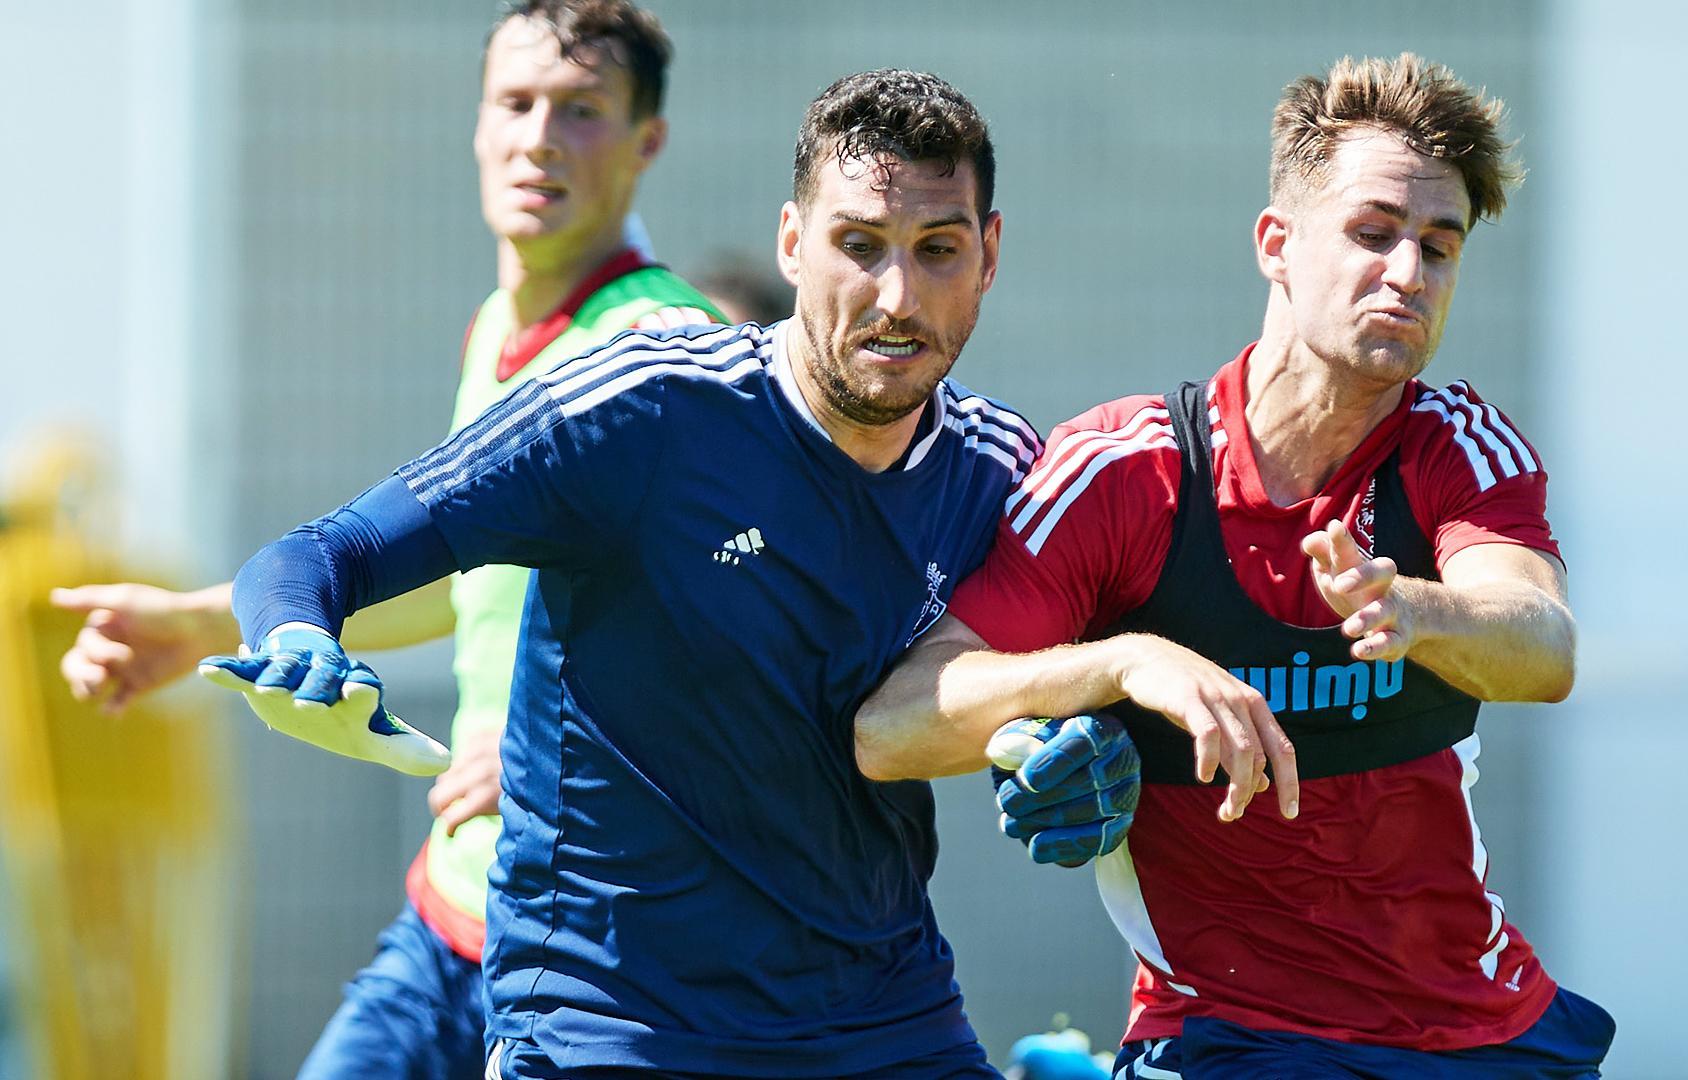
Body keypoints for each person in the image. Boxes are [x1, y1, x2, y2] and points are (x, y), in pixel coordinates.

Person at [196, 69, 1066, 1078]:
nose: (896, 296)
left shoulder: (1006, 469)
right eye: (859, 245)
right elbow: (320, 555)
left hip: (884, 1025)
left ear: (988, 255)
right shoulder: (642, 409)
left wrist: (1078, 758)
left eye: (938, 250)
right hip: (612, 1027)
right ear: (793, 243)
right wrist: (296, 631)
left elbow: (1036, 704)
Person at [854, 53, 1616, 1077]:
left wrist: (1420, 610)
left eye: (1438, 246)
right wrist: (1122, 666)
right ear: (1277, 245)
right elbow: (897, 725)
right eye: (1373, 232)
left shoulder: (1457, 448)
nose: (1408, 273)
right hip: (1225, 1033)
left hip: (1479, 1032)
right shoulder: (1126, 473)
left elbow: (1544, 649)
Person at [51, 3, 722, 1076]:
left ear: (650, 141)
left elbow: (749, 625)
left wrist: (579, 748)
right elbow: (469, 586)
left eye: (581, 110)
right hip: (454, 912)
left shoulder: (660, 350)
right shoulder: (500, 327)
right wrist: (201, 624)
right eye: (515, 103)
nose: (540, 137)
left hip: (602, 956)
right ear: (477, 122)